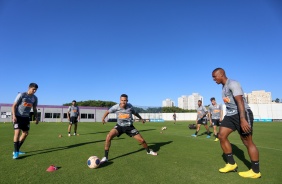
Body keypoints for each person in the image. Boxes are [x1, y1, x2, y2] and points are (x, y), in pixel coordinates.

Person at [212, 68, 261, 178]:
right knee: (221, 135)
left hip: (242, 113)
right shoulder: (223, 88)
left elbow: (240, 101)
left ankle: (255, 171)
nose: (213, 79)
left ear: (221, 74)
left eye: (215, 77)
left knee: (247, 141)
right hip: (230, 115)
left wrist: (243, 119)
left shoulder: (233, 83)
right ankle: (231, 164)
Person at [100, 94, 157, 163]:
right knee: (108, 136)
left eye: (125, 100)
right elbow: (107, 112)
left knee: (141, 140)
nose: (123, 102)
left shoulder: (130, 106)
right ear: (120, 100)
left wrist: (141, 119)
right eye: (122, 100)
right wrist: (103, 118)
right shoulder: (116, 107)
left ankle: (148, 151)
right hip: (119, 126)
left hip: (129, 127)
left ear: (127, 100)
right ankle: (105, 157)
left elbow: (135, 113)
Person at [11, 83, 39, 159]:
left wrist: (36, 117)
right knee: (17, 132)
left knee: (25, 133)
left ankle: (17, 149)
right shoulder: (22, 95)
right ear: (29, 88)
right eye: (33, 89)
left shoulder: (35, 98)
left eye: (36, 90)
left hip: (26, 117)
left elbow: (35, 108)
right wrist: (13, 115)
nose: (34, 91)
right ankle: (16, 152)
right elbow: (14, 105)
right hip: (18, 116)